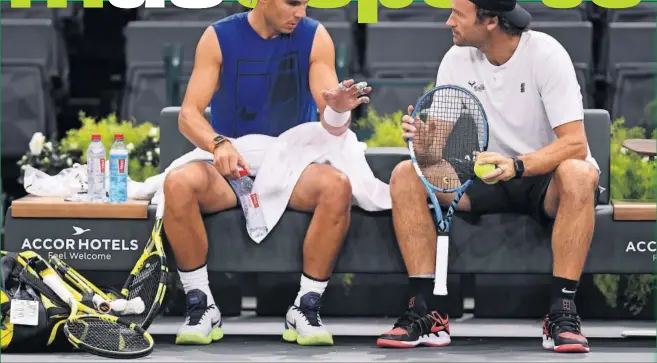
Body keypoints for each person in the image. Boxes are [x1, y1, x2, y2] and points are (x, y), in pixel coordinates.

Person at [377, 0, 600, 354]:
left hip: (541, 179)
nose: (448, 21)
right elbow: (434, 152)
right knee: (407, 174)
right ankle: (426, 312)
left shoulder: (546, 54)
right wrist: (423, 139)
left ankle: (562, 313)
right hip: (479, 176)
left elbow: (575, 143)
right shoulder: (455, 58)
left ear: (491, 20)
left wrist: (517, 165)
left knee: (578, 173)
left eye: (457, 14)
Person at [162, 0, 371, 346]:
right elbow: (188, 115)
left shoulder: (315, 36)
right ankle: (201, 305)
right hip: (233, 161)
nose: (301, 12)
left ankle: (306, 306)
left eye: (305, 3)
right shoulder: (217, 37)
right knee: (179, 183)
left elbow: (332, 121)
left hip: (292, 163)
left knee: (337, 186)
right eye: (292, 3)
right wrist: (218, 144)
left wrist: (336, 110)